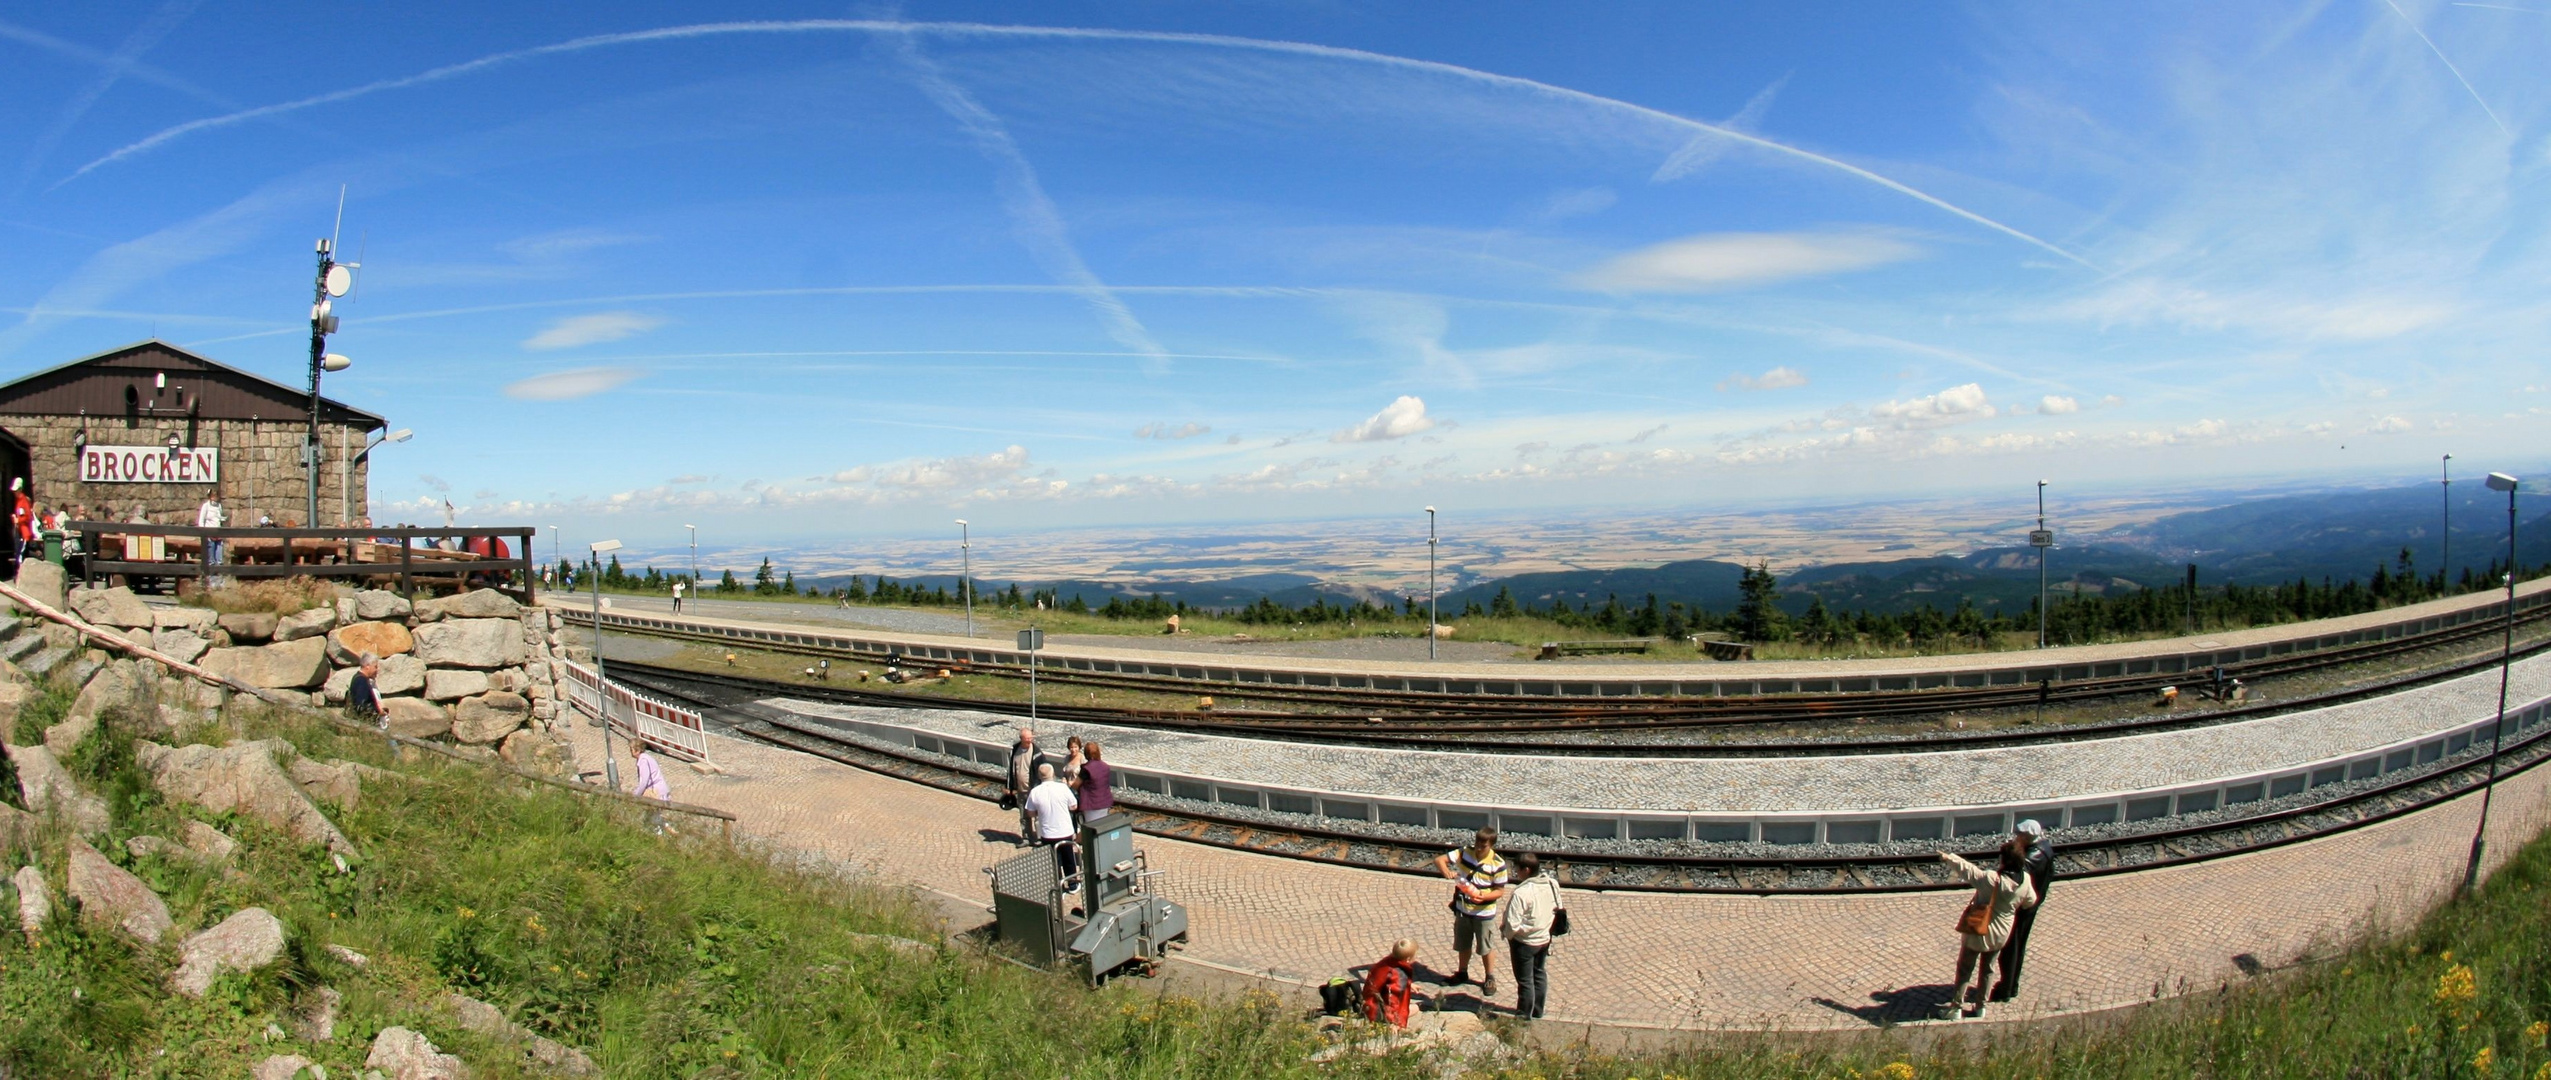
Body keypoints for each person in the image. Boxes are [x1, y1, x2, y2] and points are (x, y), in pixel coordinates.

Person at [1939, 841, 2039, 1019]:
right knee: (1988, 969)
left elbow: (1970, 872)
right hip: (2001, 933)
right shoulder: (2025, 880)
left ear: (2004, 859)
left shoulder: (1992, 879)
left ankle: (1956, 1008)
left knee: (1965, 968)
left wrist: (1950, 858)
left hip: (1979, 930)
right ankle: (1980, 1007)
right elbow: (2030, 901)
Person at [1434, 826, 1510, 995]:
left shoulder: (1498, 864)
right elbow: (1440, 860)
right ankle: (1462, 972)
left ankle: (1489, 977)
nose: (1478, 848)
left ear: (1491, 846)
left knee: (1485, 946)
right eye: (1477, 843)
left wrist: (1483, 896)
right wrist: (1446, 871)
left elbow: (1500, 891)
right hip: (1463, 909)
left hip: (1484, 913)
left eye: (1483, 845)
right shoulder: (1465, 852)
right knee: (1463, 944)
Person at [1990, 819, 2056, 1002]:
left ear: (2027, 837)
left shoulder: (2032, 858)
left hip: (2022, 908)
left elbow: (2015, 874)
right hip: (2031, 904)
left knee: (2012, 948)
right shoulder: (2046, 849)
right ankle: (2011, 985)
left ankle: (2006, 988)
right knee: (2017, 946)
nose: (2016, 838)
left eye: (2019, 835)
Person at [1500, 852, 1562, 1019]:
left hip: (1524, 943)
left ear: (1526, 870)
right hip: (1544, 939)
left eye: (1517, 869)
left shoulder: (1522, 893)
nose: (1515, 873)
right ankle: (1537, 1011)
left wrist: (1508, 934)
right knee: (1539, 974)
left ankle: (1523, 1016)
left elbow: (1512, 925)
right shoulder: (1551, 883)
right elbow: (1558, 908)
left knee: (1525, 981)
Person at [1026, 762, 1080, 886]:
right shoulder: (1062, 788)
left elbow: (1030, 813)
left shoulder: (1035, 792)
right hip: (1065, 831)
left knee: (1054, 860)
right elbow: (1074, 806)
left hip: (1047, 833)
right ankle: (1072, 883)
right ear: (1053, 774)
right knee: (1069, 859)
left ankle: (1057, 884)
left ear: (1039, 776)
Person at [1362, 940, 1420, 1028]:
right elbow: (1392, 999)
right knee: (1416, 1008)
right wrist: (1394, 1022)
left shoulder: (1386, 963)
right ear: (1408, 959)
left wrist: (1409, 984)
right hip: (1379, 1012)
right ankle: (1385, 1022)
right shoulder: (1399, 973)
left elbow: (1386, 980)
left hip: (1369, 1004)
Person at [1006, 727, 1043, 843]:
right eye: (1026, 738)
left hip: (1034, 790)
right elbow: (1010, 770)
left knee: (1037, 815)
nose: (1029, 740)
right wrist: (1009, 787)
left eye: (1030, 738)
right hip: (1021, 790)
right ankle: (1026, 837)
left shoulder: (1037, 752)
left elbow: (1044, 769)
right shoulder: (1015, 750)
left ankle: (1039, 837)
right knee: (1023, 815)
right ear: (1021, 738)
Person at [631, 740, 673, 833]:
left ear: (637, 750)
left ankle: (660, 840)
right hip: (661, 789)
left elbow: (644, 781)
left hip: (655, 792)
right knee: (655, 816)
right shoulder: (647, 758)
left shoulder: (643, 761)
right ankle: (670, 830)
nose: (631, 751)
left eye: (632, 749)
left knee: (652, 819)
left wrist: (636, 794)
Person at [1075, 741, 1115, 820]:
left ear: (1086, 754)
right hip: (1105, 802)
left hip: (1091, 804)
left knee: (1092, 828)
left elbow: (1076, 784)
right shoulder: (1105, 766)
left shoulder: (1086, 769)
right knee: (1102, 826)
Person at [196, 492, 225, 581]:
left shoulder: (219, 506)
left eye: (216, 496)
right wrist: (203, 533)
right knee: (211, 560)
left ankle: (219, 581)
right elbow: (201, 520)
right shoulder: (206, 506)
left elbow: (219, 518)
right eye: (214, 496)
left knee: (219, 559)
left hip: (218, 534)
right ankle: (211, 580)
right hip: (209, 534)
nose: (215, 498)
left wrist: (223, 519)